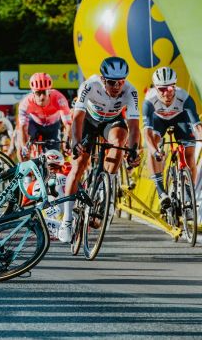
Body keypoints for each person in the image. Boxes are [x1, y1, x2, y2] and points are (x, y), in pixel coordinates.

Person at [59, 57, 141, 243]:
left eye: (121, 81)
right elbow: (78, 117)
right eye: (112, 82)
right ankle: (67, 220)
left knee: (120, 139)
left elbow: (134, 126)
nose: (117, 86)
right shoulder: (90, 85)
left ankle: (107, 188)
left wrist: (133, 149)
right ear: (103, 79)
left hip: (111, 121)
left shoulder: (131, 90)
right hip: (89, 120)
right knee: (79, 164)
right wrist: (76, 142)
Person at [143, 66, 202, 213]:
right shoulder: (149, 100)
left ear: (174, 86)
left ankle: (189, 193)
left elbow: (197, 126)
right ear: (156, 88)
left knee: (189, 155)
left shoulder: (184, 97)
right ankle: (161, 192)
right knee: (153, 144)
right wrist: (155, 151)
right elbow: (147, 133)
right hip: (159, 120)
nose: (166, 93)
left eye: (170, 88)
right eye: (162, 89)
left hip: (179, 119)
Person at [16, 73, 71, 160]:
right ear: (33, 92)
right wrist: (24, 146)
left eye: (44, 92)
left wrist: (66, 140)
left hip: (53, 126)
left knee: (54, 157)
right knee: (21, 148)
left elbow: (68, 123)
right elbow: (23, 127)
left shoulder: (59, 98)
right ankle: (26, 172)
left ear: (49, 91)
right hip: (34, 124)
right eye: (38, 93)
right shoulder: (25, 103)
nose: (42, 97)